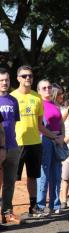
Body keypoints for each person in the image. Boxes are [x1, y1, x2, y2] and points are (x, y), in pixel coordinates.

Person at [11, 65, 58, 217]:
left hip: (35, 143)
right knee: (12, 179)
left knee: (33, 177)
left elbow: (39, 125)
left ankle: (33, 207)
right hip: (16, 144)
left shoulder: (37, 97)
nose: (28, 78)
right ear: (18, 78)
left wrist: (53, 136)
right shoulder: (12, 98)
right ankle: (8, 208)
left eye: (30, 75)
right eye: (24, 76)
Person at [36, 79, 65, 215]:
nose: (47, 90)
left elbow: (61, 123)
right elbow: (39, 127)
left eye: (49, 87)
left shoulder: (55, 104)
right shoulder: (38, 104)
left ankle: (55, 204)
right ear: (39, 91)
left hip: (57, 141)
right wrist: (54, 137)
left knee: (56, 174)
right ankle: (41, 205)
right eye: (44, 88)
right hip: (45, 141)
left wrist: (62, 137)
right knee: (44, 175)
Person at [0, 68, 21, 224]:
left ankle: (7, 212)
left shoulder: (13, 100)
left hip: (12, 146)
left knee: (10, 182)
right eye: (1, 80)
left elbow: (13, 124)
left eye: (6, 80)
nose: (4, 83)